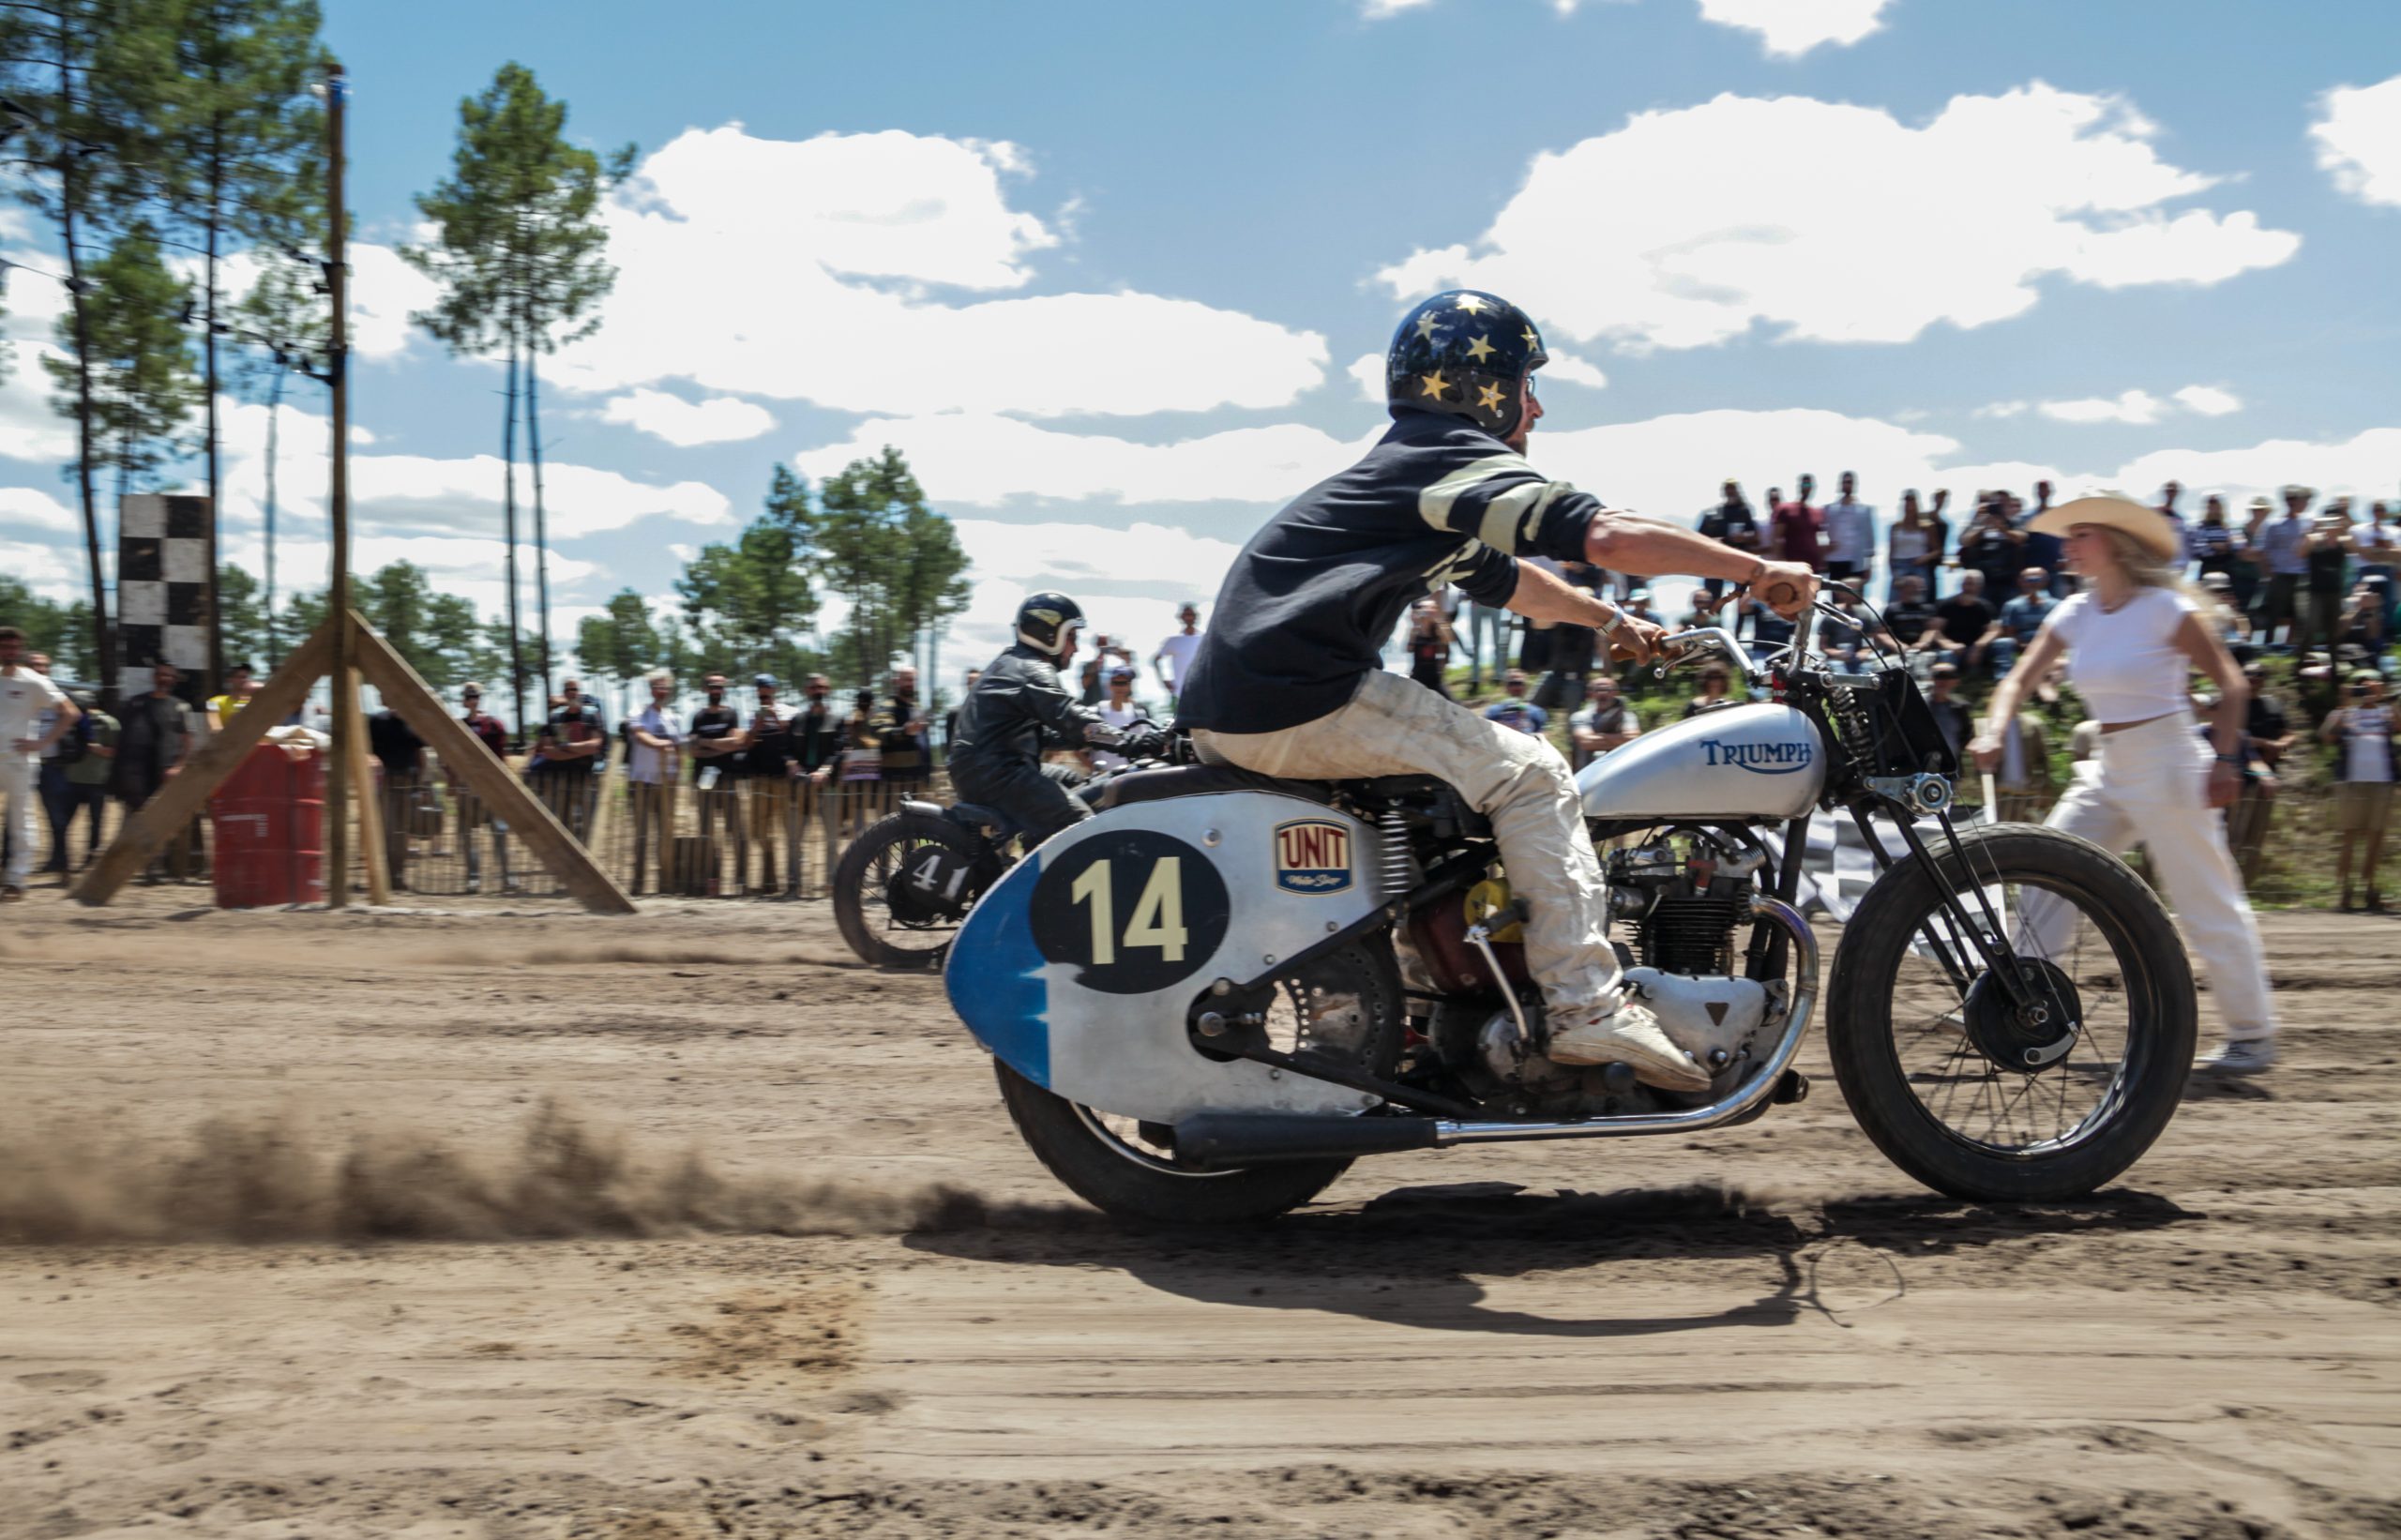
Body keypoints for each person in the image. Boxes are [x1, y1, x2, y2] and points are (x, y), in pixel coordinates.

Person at [1175, 288, 1818, 1089]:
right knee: (1532, 772)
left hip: (1255, 697)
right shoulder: (1447, 458)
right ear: (1477, 385)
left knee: (1449, 816)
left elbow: (1509, 583)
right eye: (1525, 382)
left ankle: (1423, 1016)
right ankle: (1587, 1007)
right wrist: (1756, 571)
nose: (1536, 406)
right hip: (1296, 691)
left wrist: (1607, 620)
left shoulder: (1414, 480)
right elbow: (1606, 533)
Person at [1971, 494, 2275, 1076]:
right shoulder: (2074, 613)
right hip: (2107, 767)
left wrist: (2227, 761)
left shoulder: (2164, 608)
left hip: (2170, 762)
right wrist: (1994, 729)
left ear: (2113, 543)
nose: (2068, 546)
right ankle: (2026, 1016)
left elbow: (2232, 687)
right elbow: (2015, 680)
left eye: (2080, 535)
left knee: (2205, 900)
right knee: (2044, 879)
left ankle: (2252, 1037)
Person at [947, 593, 1165, 848]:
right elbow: (1071, 715)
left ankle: (1036, 843)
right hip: (997, 773)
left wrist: (1085, 739)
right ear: (1049, 634)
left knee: (1085, 785)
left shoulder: (1014, 663)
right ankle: (1044, 875)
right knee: (1080, 825)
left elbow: (1044, 732)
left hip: (995, 767)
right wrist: (1131, 743)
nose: (1076, 647)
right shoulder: (1031, 669)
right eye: (1071, 637)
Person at [1, 627, 77, 901]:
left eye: (13, 647)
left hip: (19, 760)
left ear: (19, 649)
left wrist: (41, 743)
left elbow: (70, 712)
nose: (9, 652)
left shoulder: (33, 681)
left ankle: (16, 881)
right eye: (4, 647)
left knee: (21, 819)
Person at [2320, 670, 2394, 912]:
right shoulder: (2347, 712)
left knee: (2376, 838)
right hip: (2351, 782)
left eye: (2370, 687)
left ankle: (2370, 888)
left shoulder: (2386, 712)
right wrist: (2344, 703)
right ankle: (2346, 890)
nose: (2366, 692)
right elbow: (2327, 736)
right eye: (2361, 688)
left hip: (2382, 782)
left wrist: (2383, 698)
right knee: (2349, 837)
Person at [113, 662, 193, 881]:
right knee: (131, 820)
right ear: (154, 677)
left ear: (174, 680)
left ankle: (157, 867)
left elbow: (188, 741)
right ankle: (120, 868)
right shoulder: (134, 703)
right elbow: (121, 739)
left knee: (160, 822)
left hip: (165, 773)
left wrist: (178, 766)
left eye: (169, 675)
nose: (164, 678)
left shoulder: (181, 707)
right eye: (161, 674)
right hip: (136, 773)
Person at [2227, 660, 2291, 886]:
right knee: (2234, 833)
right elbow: (2231, 734)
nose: (2254, 679)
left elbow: (2289, 733)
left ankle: (2247, 884)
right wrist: (2266, 743)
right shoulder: (2235, 703)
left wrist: (2280, 744)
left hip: (2267, 778)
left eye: (2259, 675)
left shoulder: (2272, 704)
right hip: (2238, 778)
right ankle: (2228, 882)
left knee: (2257, 833)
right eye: (2250, 674)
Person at [626, 669, 686, 894]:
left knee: (665, 832)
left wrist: (676, 775)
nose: (661, 691)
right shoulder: (638, 712)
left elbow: (678, 749)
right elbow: (640, 734)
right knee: (641, 833)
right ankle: (638, 883)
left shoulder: (673, 717)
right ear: (651, 690)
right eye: (658, 687)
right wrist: (660, 744)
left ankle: (665, 882)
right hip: (642, 780)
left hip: (665, 783)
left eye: (665, 688)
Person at [687, 672, 747, 887]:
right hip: (703, 781)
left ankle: (741, 879)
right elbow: (693, 751)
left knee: (736, 828)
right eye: (712, 686)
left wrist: (706, 743)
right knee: (707, 830)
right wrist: (720, 745)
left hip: (728, 778)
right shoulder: (698, 717)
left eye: (720, 687)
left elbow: (735, 743)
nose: (716, 690)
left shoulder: (731, 714)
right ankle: (713, 878)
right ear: (705, 689)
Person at [454, 683, 515, 895]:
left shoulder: (493, 724)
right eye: (468, 695)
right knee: (468, 835)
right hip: (467, 788)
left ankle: (508, 876)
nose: (472, 699)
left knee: (499, 831)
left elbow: (501, 758)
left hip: (491, 788)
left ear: (480, 698)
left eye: (475, 695)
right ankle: (473, 879)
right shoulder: (458, 726)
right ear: (463, 699)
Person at [529, 677, 607, 841]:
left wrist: (565, 747)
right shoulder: (556, 719)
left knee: (588, 826)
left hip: (585, 777)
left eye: (575, 690)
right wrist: (581, 750)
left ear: (580, 693)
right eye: (569, 690)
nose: (572, 693)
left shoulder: (590, 716)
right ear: (564, 694)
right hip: (562, 778)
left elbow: (594, 745)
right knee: (565, 826)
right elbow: (549, 751)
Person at [367, 702, 426, 890]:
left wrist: (421, 782)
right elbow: (367, 750)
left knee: (401, 833)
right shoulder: (377, 721)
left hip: (408, 782)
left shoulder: (413, 722)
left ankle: (397, 876)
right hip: (386, 782)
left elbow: (420, 752)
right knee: (386, 830)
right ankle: (382, 877)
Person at [2254, 488, 2310, 648]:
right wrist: (2269, 574)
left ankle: (2296, 647)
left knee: (2300, 614)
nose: (2292, 502)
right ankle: (2268, 645)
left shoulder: (2308, 522)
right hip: (2280, 574)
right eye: (2289, 498)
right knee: (2274, 613)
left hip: (2302, 575)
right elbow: (2263, 551)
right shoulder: (2272, 524)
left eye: (2295, 498)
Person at [2301, 499, 2352, 656]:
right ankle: (2300, 662)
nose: (2331, 524)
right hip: (2315, 591)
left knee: (2333, 631)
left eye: (2334, 520)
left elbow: (2356, 542)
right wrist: (2315, 529)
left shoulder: (2344, 541)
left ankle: (2333, 668)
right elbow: (2300, 553)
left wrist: (2344, 520)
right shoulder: (2314, 540)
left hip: (2335, 590)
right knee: (2311, 627)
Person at [1698, 480, 1761, 604]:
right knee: (1712, 596)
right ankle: (1714, 620)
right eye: (1728, 488)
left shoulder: (1744, 510)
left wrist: (1743, 537)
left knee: (1741, 595)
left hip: (1739, 558)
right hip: (1716, 560)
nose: (1730, 491)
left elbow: (1754, 534)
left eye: (1733, 488)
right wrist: (1714, 541)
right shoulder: (1713, 513)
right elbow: (1699, 537)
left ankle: (1739, 621)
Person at [1928, 569, 2002, 676]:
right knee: (1947, 654)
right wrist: (1949, 645)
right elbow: (1934, 630)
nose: (1967, 587)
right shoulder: (1945, 605)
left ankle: (2002, 677)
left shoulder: (1986, 606)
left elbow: (1994, 631)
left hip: (1977, 650)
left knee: (2004, 643)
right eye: (1965, 583)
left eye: (1971, 584)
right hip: (1953, 650)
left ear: (1979, 587)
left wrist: (1978, 646)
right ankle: (1947, 682)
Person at [1086, 665, 1152, 774]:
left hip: (1131, 776)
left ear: (1129, 686)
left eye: (1124, 683)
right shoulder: (1095, 711)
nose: (1120, 688)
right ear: (1109, 685)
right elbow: (1077, 748)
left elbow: (1146, 747)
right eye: (1116, 683)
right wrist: (1093, 769)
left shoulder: (1139, 713)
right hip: (1102, 778)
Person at [1996, 566, 2060, 674]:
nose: (2033, 583)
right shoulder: (2012, 605)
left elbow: (2061, 630)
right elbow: (2009, 633)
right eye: (2029, 579)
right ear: (2021, 582)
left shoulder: (2057, 605)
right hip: (2022, 644)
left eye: (2037, 578)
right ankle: (2004, 676)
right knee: (2004, 642)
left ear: (2045, 580)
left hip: (2049, 645)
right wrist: (2023, 645)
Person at [875, 667, 931, 790]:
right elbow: (881, 735)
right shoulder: (886, 707)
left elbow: (925, 742)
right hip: (895, 782)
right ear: (896, 681)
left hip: (919, 780)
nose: (910, 684)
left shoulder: (918, 708)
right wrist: (904, 731)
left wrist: (927, 774)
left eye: (913, 680)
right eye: (906, 680)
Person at [1566, 674, 1638, 771]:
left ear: (1616, 692)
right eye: (1597, 690)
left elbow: (1632, 740)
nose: (1602, 693)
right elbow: (1586, 742)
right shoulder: (1580, 716)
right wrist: (1619, 739)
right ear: (1590, 693)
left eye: (1607, 689)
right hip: (1585, 773)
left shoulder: (1628, 716)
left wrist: (1596, 737)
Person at [1887, 489, 1942, 604]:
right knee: (1895, 599)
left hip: (1919, 564)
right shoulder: (1896, 526)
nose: (1909, 505)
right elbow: (1891, 551)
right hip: (1900, 564)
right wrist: (1892, 571)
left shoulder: (1926, 526)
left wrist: (1926, 557)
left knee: (1920, 599)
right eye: (1907, 501)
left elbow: (1937, 550)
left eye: (1912, 501)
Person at [1820, 470, 1874, 589]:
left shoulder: (1864, 510)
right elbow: (1821, 531)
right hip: (1835, 560)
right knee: (1836, 598)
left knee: (1855, 597)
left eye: (1849, 482)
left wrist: (1869, 565)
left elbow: (1869, 540)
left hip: (1856, 561)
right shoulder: (1829, 509)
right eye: (1845, 482)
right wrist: (1824, 551)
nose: (1847, 485)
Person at [1151, 604, 1204, 709]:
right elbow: (1156, 660)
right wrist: (1164, 681)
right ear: (1181, 617)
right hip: (1179, 692)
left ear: (1196, 617)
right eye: (1186, 615)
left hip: (1202, 692)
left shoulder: (1204, 639)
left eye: (1191, 614)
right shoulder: (1174, 641)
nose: (1189, 617)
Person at [1771, 474, 1824, 573]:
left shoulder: (1817, 512)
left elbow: (1818, 540)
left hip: (1813, 567)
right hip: (1793, 567)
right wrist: (1780, 563)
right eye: (1805, 485)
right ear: (1799, 486)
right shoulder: (1785, 509)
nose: (1807, 488)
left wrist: (1821, 561)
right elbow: (1777, 538)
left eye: (1809, 486)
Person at [1403, 596, 1454, 697]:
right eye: (1423, 609)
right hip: (1417, 675)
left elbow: (1449, 640)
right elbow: (1408, 649)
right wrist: (1417, 623)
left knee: (1450, 701)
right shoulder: (1416, 631)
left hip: (1434, 677)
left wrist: (1437, 619)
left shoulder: (1438, 631)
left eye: (1430, 609)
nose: (1426, 612)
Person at [1924, 661, 1972, 758]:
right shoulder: (1918, 705)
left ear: (1956, 681)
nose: (1943, 681)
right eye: (1938, 676)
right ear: (1930, 679)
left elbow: (1967, 735)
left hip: (1952, 766)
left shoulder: (1961, 707)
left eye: (1948, 676)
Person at [1483, 668, 1548, 736]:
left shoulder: (1537, 712)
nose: (1516, 687)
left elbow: (1540, 740)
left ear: (1525, 686)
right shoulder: (1493, 711)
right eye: (1512, 684)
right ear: (1506, 687)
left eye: (1519, 683)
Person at [204, 663, 256, 732]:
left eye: (246, 677)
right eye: (240, 677)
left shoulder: (254, 703)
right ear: (230, 680)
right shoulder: (213, 702)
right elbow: (214, 729)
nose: (244, 680)